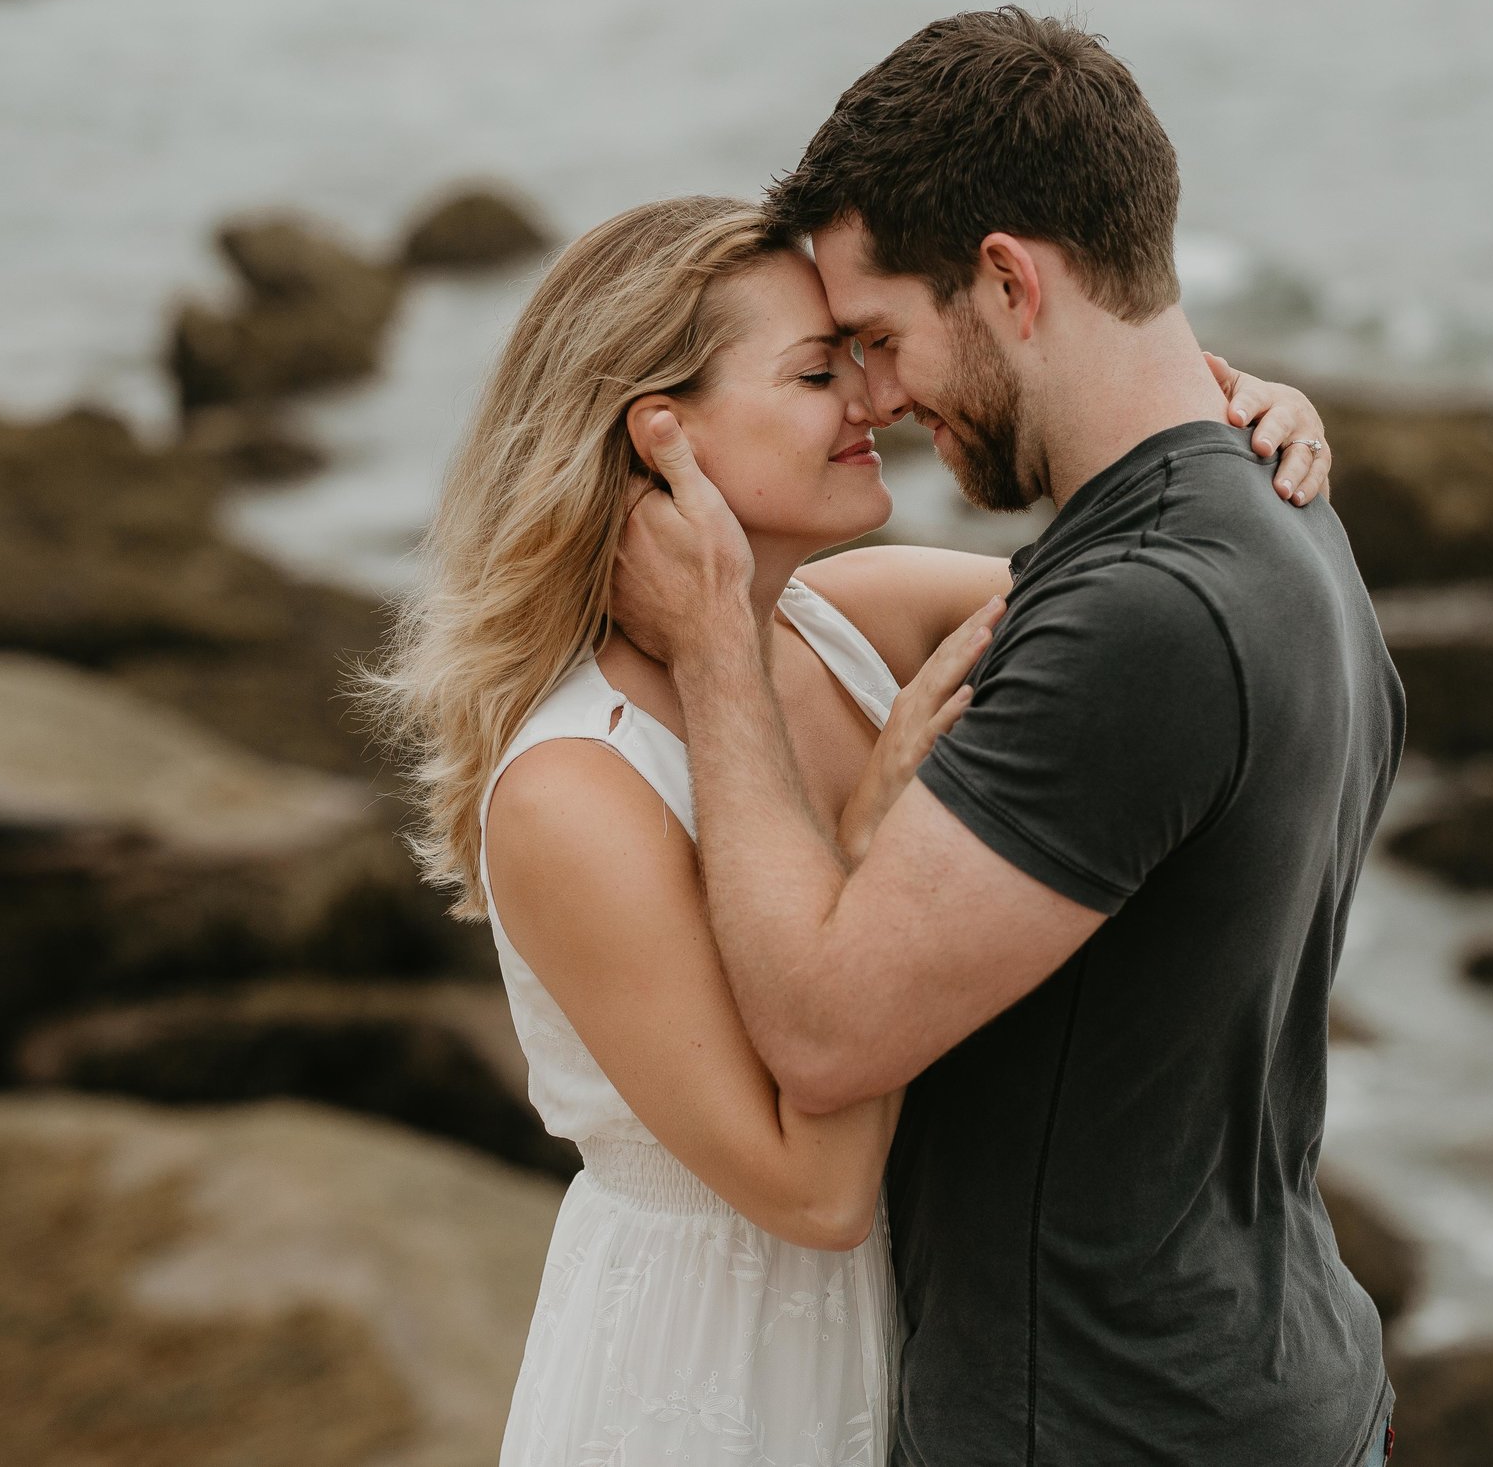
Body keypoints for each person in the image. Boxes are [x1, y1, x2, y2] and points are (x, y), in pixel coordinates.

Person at [354, 191, 1334, 1466]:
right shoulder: (572, 788)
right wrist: (866, 837)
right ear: (664, 436)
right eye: (819, 370)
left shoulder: (855, 621)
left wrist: (1238, 435)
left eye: (864, 356)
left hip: (935, 1339)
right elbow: (813, 1192)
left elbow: (1168, 609)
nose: (873, 401)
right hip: (718, 1373)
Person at [610, 8, 1402, 1467]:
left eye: (882, 338)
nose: (881, 396)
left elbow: (828, 1031)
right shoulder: (1279, 519)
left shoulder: (1143, 620)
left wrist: (717, 646)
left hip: (1113, 1424)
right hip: (1256, 1383)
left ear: (1008, 281)